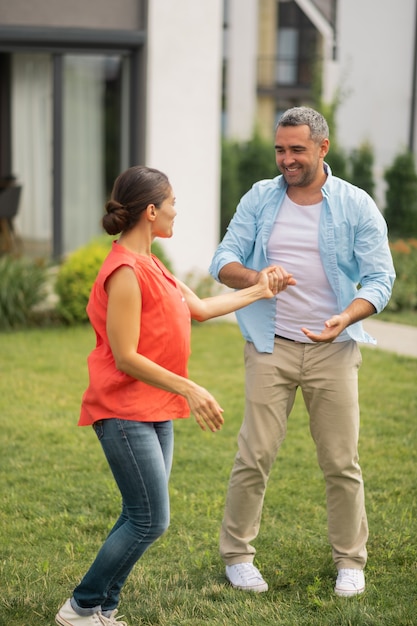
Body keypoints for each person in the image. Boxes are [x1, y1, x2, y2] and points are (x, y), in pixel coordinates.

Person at [55, 165, 291, 626]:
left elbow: (200, 309)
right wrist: (191, 386)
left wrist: (260, 289)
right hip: (124, 411)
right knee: (149, 518)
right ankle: (81, 605)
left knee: (141, 515)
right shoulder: (125, 270)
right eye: (172, 204)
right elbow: (124, 356)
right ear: (150, 211)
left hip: (153, 408)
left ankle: (102, 609)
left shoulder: (151, 264)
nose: (176, 212)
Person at [209, 106, 395, 598]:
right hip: (270, 346)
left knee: (340, 460)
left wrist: (346, 318)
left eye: (296, 150)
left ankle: (350, 562)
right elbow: (223, 260)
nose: (286, 159)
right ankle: (237, 556)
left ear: (322, 148)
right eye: (280, 149)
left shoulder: (355, 205)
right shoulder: (260, 198)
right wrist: (258, 279)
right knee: (255, 454)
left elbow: (381, 279)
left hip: (333, 349)